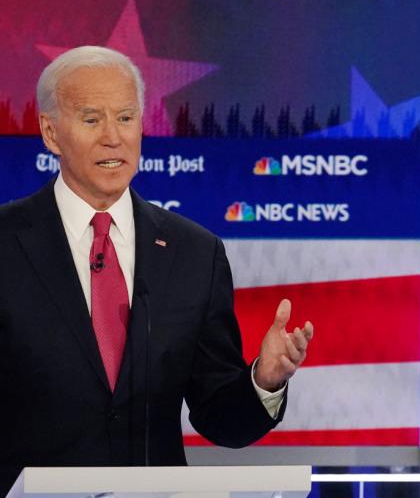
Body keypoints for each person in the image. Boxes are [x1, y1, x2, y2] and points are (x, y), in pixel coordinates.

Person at [0, 45, 314, 495]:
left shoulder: (194, 253)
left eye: (126, 118)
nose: (114, 137)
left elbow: (220, 417)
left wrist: (263, 381)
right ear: (51, 133)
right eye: (92, 120)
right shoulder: (6, 243)